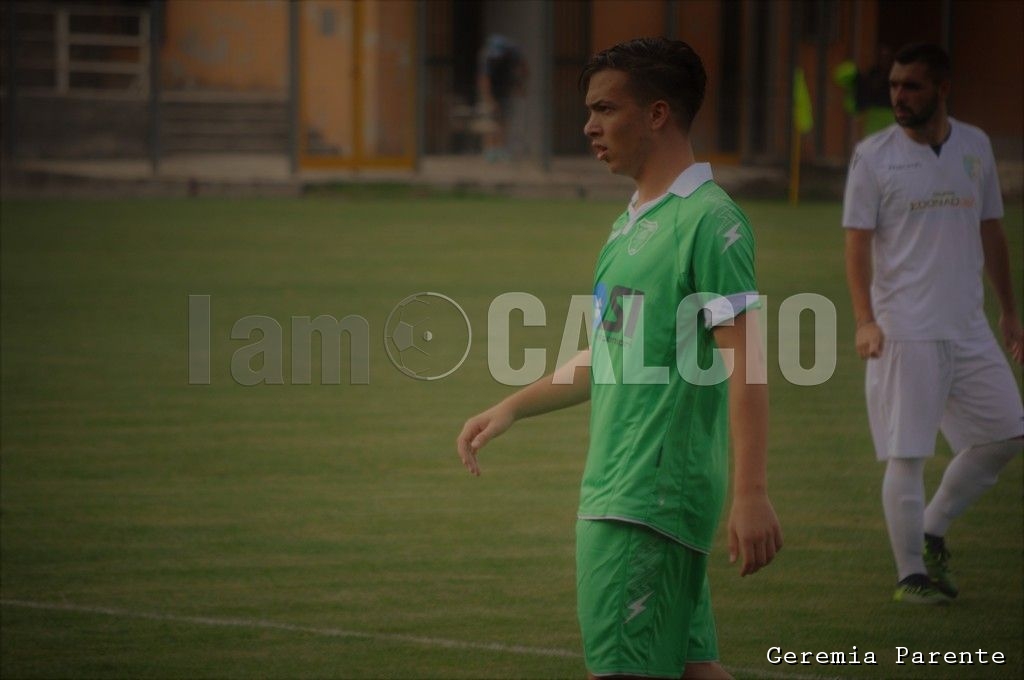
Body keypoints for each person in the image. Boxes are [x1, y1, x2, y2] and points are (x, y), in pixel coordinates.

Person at [457, 38, 782, 679]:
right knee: (696, 670)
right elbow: (614, 353)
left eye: (605, 109)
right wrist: (512, 407)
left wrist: (752, 492)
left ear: (658, 114)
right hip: (639, 494)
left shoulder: (708, 222)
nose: (589, 126)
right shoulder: (632, 224)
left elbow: (748, 363)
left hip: (640, 501)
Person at [842, 42, 1024, 605]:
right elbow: (856, 244)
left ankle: (932, 526)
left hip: (968, 326)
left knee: (1008, 433)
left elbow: (992, 229)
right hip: (906, 328)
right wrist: (865, 321)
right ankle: (910, 575)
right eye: (895, 85)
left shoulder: (975, 145)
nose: (899, 96)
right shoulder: (873, 157)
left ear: (942, 89)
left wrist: (1009, 311)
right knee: (909, 452)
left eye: (912, 86)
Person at [476, 34, 527, 162]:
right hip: (493, 91)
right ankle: (490, 150)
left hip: (505, 90)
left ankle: (501, 149)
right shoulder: (488, 57)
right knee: (492, 121)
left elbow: (524, 69)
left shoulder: (513, 53)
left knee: (503, 121)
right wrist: (489, 100)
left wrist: (520, 85)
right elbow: (484, 80)